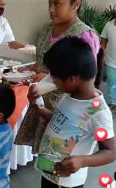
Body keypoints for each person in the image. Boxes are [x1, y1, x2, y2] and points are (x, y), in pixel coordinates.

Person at [15, 0, 101, 153]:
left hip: (66, 110)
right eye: (49, 4)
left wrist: (49, 79)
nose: (51, 9)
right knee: (45, 155)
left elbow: (86, 77)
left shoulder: (83, 35)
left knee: (60, 155)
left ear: (76, 5)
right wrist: (27, 70)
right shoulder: (47, 30)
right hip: (43, 104)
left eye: (57, 4)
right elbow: (41, 62)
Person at [34, 37, 115, 188]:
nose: (52, 81)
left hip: (67, 182)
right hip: (49, 173)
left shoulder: (98, 113)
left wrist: (82, 160)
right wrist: (38, 108)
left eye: (54, 77)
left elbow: (110, 152)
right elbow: (61, 121)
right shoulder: (69, 95)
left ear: (71, 79)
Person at [101, 17, 116, 110]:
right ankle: (113, 101)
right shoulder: (108, 25)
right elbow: (103, 43)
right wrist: (101, 57)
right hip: (110, 61)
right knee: (112, 83)